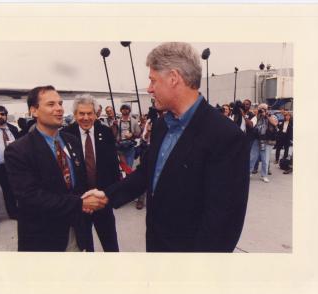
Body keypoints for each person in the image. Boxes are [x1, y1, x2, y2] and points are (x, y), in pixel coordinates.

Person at [84, 42, 250, 252]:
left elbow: (223, 223)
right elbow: (147, 172)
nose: (149, 88)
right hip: (156, 245)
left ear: (174, 78)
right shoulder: (163, 125)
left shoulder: (225, 136)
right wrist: (108, 195)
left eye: (153, 80)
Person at [4, 86, 107, 251]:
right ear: (34, 111)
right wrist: (79, 203)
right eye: (51, 104)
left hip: (78, 231)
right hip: (45, 237)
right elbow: (30, 197)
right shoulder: (18, 150)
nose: (59, 108)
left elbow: (79, 184)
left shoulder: (71, 141)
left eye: (60, 103)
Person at [63, 94, 120, 251]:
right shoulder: (65, 135)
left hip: (102, 199)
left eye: (90, 113)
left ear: (96, 114)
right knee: (85, 246)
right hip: (79, 203)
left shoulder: (106, 132)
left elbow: (113, 167)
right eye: (81, 113)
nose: (86, 118)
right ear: (75, 115)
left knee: (111, 244)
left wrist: (111, 195)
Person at [249, 103, 278, 183]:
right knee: (252, 157)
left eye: (263, 108)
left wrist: (266, 115)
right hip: (257, 139)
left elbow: (275, 123)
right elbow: (251, 124)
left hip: (266, 140)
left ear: (267, 109)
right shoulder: (256, 117)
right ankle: (249, 172)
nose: (262, 110)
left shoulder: (271, 115)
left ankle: (264, 175)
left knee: (265, 159)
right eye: (260, 108)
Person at [116, 104, 141, 169]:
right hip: (120, 147)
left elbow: (138, 134)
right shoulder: (117, 122)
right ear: (121, 110)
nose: (125, 110)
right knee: (123, 167)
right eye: (123, 108)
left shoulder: (134, 121)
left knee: (129, 167)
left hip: (130, 147)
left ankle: (128, 178)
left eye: (126, 108)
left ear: (129, 110)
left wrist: (132, 134)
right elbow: (113, 134)